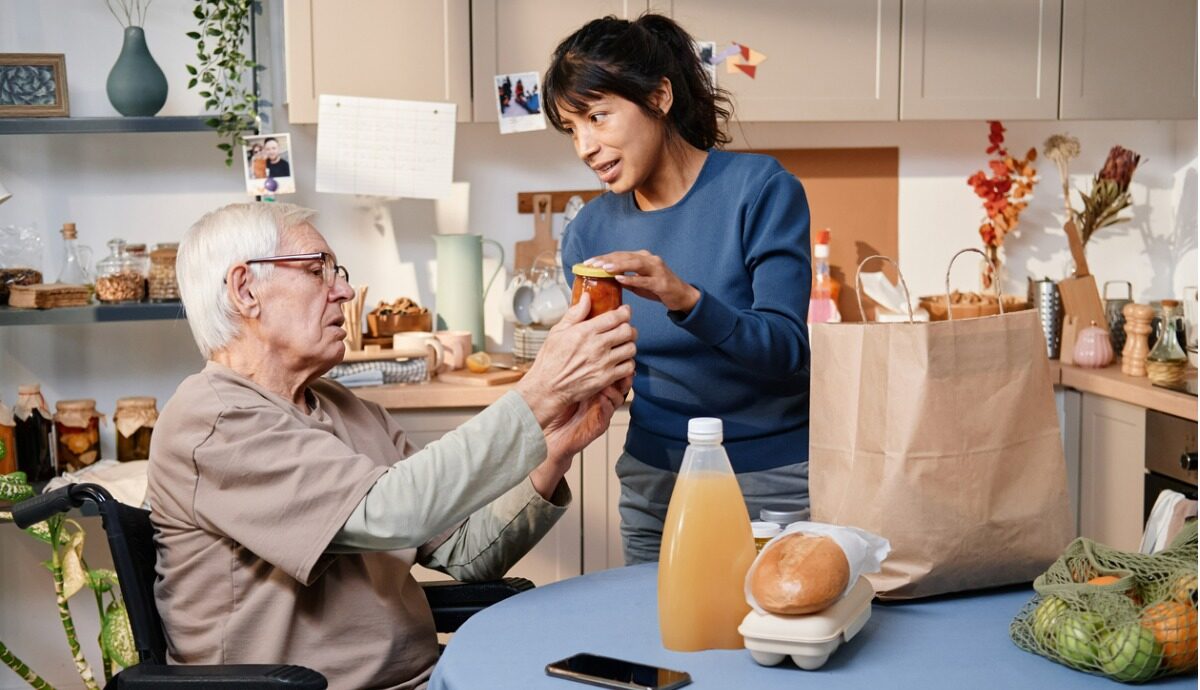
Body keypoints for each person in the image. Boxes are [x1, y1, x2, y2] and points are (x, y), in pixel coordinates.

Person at [147, 202, 635, 688]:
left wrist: (556, 444)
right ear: (245, 289)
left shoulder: (345, 407)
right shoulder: (213, 420)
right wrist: (538, 392)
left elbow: (466, 550)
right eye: (319, 270)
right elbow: (393, 512)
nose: (344, 290)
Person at [545, 14, 812, 565]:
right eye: (573, 129)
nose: (585, 147)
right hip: (655, 479)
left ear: (659, 97)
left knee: (770, 638)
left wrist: (685, 298)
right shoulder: (588, 233)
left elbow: (788, 351)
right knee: (659, 639)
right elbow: (604, 368)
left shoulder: (760, 191)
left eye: (597, 116)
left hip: (770, 479)